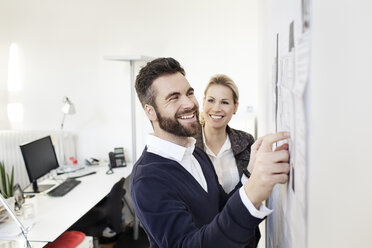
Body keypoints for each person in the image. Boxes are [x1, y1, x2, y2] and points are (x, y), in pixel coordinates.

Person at [131, 57, 290, 248]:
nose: (189, 103)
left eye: (189, 93)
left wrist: (250, 174)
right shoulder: (148, 179)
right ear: (150, 111)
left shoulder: (196, 154)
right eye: (174, 97)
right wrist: (252, 192)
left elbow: (221, 210)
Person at [194, 74, 260, 247]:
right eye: (211, 100)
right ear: (203, 103)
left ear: (235, 107)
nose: (216, 108)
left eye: (224, 102)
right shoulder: (188, 144)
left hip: (242, 236)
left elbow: (253, 191)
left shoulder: (246, 142)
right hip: (201, 237)